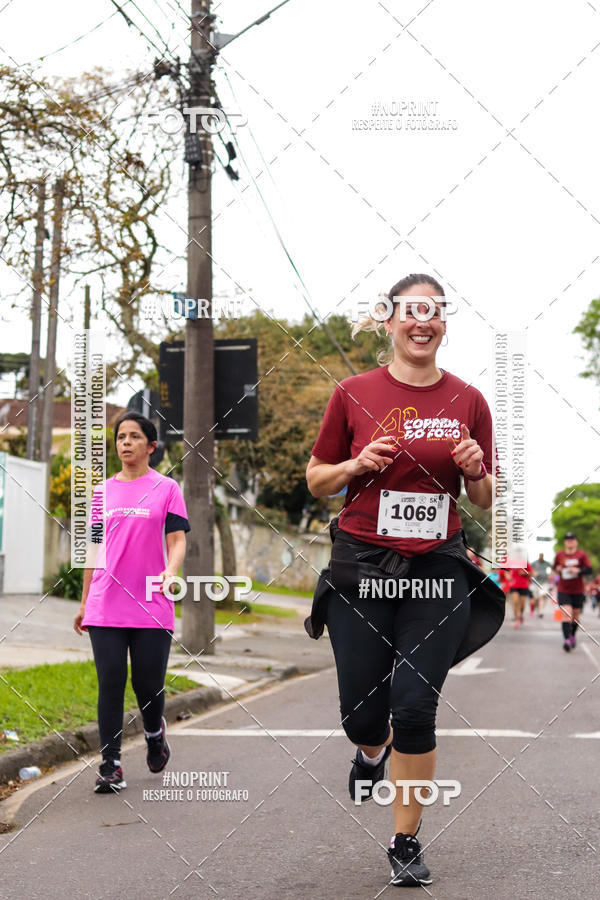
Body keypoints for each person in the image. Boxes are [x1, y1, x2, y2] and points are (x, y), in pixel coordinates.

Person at [305, 274, 505, 887]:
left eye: (435, 312)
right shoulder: (353, 393)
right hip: (363, 565)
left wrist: (475, 472)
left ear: (444, 324)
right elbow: (317, 479)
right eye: (412, 312)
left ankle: (405, 839)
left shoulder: (469, 400)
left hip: (438, 568)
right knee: (364, 714)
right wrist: (354, 465)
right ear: (388, 321)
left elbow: (486, 495)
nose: (424, 323)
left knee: (415, 708)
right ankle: (370, 749)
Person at [74, 411, 190, 793]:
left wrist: (171, 571)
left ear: (151, 446)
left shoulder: (167, 489)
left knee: (148, 684)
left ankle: (154, 732)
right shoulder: (100, 493)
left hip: (150, 599)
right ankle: (111, 764)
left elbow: (176, 540)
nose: (125, 442)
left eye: (134, 436)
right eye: (121, 436)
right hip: (106, 601)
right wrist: (84, 601)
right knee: (111, 681)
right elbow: (93, 549)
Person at [552, 532, 592, 651]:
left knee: (575, 617)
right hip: (563, 589)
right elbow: (555, 568)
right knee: (566, 614)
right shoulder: (560, 555)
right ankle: (567, 641)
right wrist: (558, 569)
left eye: (572, 539)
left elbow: (589, 570)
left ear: (576, 541)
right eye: (567, 539)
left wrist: (578, 571)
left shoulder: (582, 555)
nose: (569, 541)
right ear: (565, 542)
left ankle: (572, 635)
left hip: (578, 590)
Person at [507, 562, 532, 627]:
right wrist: (508, 576)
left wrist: (524, 573)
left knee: (522, 604)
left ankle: (521, 614)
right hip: (514, 586)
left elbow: (531, 573)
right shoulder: (511, 562)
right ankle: (516, 619)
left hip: (523, 586)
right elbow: (506, 571)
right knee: (515, 602)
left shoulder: (525, 563)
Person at [531, 553, 551, 618]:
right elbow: (529, 569)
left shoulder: (546, 563)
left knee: (542, 596)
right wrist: (533, 573)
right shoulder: (534, 563)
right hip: (535, 582)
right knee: (536, 598)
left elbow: (553, 568)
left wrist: (551, 574)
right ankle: (538, 608)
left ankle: (541, 612)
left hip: (544, 582)